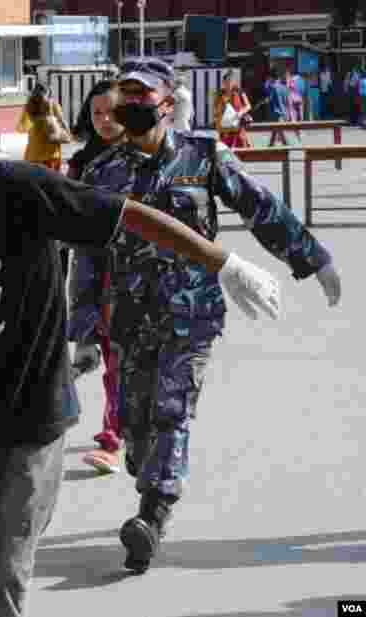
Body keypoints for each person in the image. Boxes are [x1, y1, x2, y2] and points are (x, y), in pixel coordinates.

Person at [0, 62, 286, 617]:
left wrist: (224, 263)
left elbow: (129, 216)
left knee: (8, 570)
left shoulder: (20, 191)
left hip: (32, 417)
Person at [74, 58, 341, 576]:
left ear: (167, 103)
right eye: (124, 93)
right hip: (128, 317)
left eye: (141, 94)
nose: (131, 103)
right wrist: (83, 330)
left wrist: (314, 258)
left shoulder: (203, 156)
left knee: (172, 412)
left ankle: (151, 516)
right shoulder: (102, 171)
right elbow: (85, 253)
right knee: (135, 427)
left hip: (189, 315)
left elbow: (263, 207)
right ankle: (147, 475)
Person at [65, 79, 127, 474]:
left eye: (112, 112)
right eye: (96, 113)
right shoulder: (82, 164)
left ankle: (122, 431)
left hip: (144, 279)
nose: (103, 120)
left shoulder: (148, 159)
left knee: (128, 367)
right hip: (95, 278)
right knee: (114, 363)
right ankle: (113, 436)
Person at [16, 82, 72, 172]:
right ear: (48, 92)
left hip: (33, 152)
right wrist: (68, 134)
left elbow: (21, 128)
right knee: (51, 182)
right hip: (51, 152)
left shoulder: (29, 106)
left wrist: (37, 120)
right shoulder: (53, 105)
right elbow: (62, 121)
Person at [213, 71, 253, 149]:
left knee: (241, 149)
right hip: (224, 129)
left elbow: (248, 106)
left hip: (237, 127)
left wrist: (241, 112)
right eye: (227, 81)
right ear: (223, 82)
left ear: (234, 82)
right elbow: (215, 110)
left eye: (230, 81)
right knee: (225, 151)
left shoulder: (240, 92)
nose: (229, 84)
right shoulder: (219, 94)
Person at [266, 68, 290, 147]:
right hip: (283, 112)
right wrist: (287, 113)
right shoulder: (284, 87)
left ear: (271, 77)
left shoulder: (273, 87)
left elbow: (272, 99)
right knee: (275, 131)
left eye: (269, 78)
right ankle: (271, 146)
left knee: (280, 132)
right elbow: (287, 101)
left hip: (277, 113)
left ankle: (286, 147)